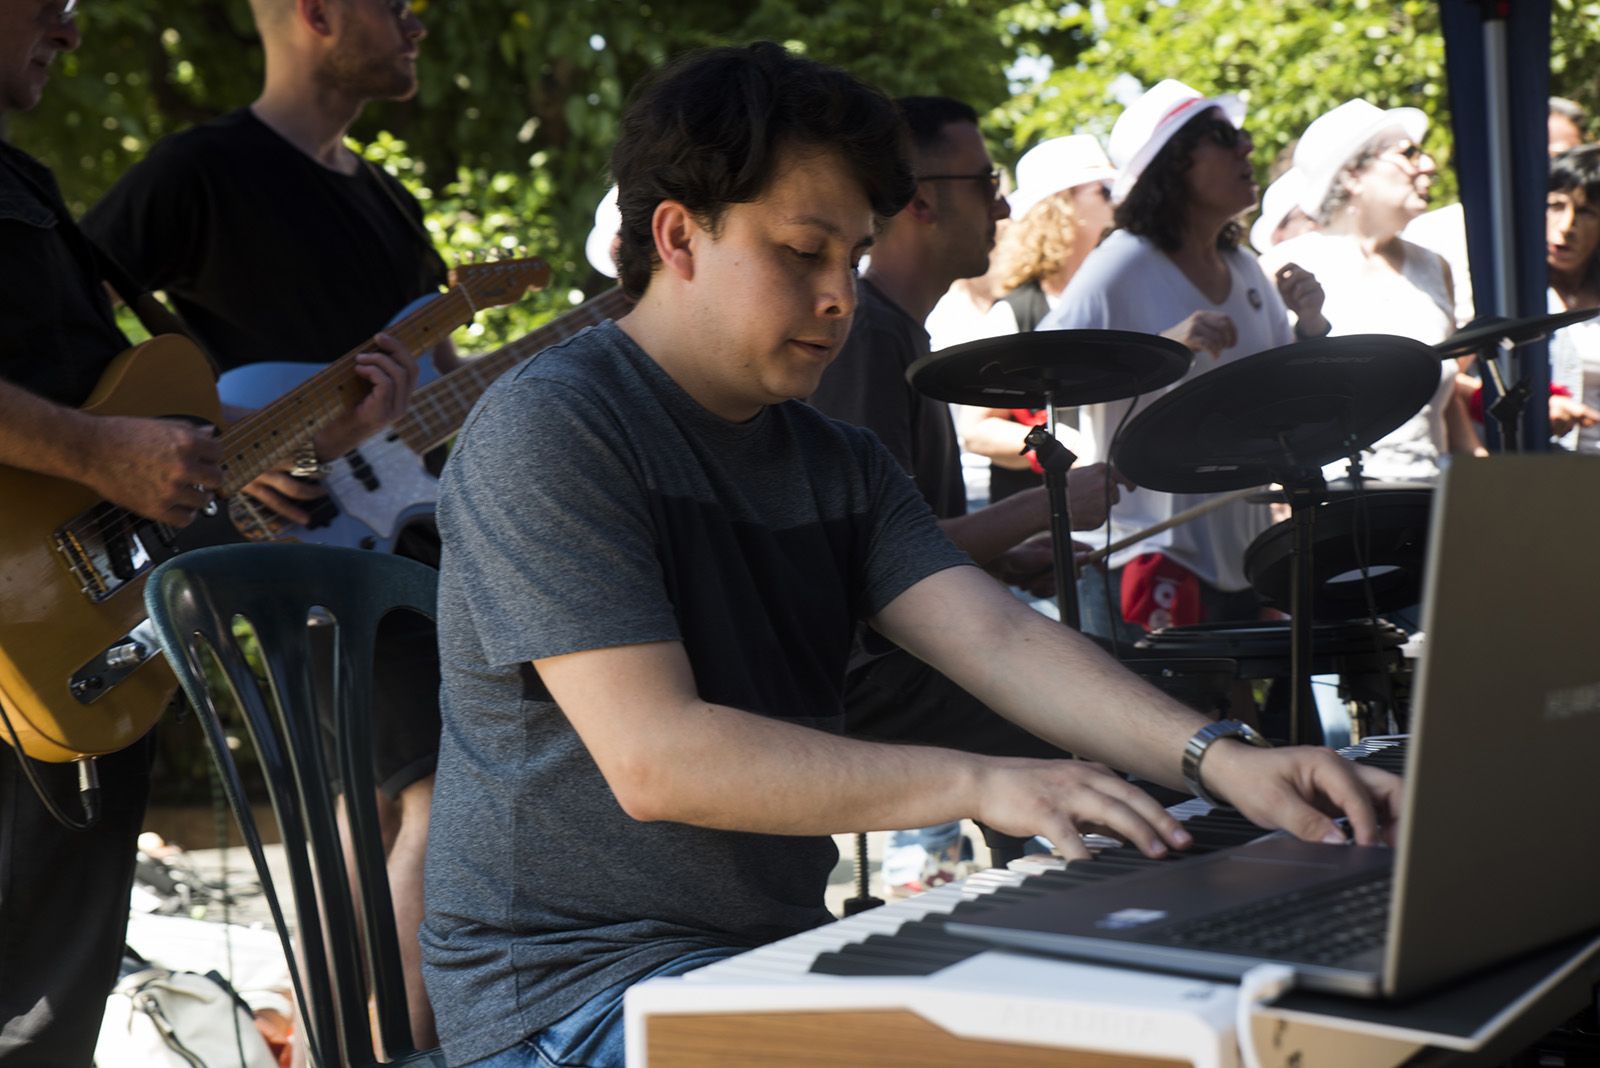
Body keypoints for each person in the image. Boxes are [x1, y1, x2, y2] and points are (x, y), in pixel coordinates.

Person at [421, 43, 1400, 1068]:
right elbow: (657, 760)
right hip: (567, 997)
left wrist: (1225, 761)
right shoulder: (553, 427)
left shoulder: (834, 460)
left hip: (761, 958)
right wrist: (981, 784)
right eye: (802, 252)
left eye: (850, 258)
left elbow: (998, 642)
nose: (839, 296)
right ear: (677, 237)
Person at [0, 2, 414, 1063]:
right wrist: (96, 454)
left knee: (51, 1005)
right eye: (52, 1)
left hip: (78, 650)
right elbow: (102, 441)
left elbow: (126, 401)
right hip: (23, 648)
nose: (71, 31)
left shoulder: (23, 182)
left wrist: (309, 432)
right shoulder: (198, 170)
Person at [807, 98, 1125, 891]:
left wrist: (1009, 560)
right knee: (1093, 731)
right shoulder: (868, 339)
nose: (1005, 208)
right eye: (987, 184)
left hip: (909, 651)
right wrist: (1049, 500)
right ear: (921, 200)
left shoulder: (896, 332)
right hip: (867, 672)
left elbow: (906, 540)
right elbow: (867, 557)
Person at [1039, 78, 1328, 640]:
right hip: (1147, 558)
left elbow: (1283, 394)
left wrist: (1311, 325)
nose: (1247, 146)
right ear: (1172, 165)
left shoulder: (1245, 268)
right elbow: (1047, 376)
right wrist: (1164, 347)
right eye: (1224, 137)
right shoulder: (1120, 264)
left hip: (1245, 557)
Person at [1260, 99, 1482, 483]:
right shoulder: (1283, 268)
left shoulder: (1434, 268)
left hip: (1428, 494)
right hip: (1332, 501)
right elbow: (1264, 405)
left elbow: (1443, 404)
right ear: (1352, 175)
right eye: (1408, 154)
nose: (1428, 165)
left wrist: (1481, 468)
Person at [955, 134, 1117, 503]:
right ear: (1062, 205)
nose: (1117, 199)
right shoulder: (1015, 311)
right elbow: (976, 430)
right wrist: (1052, 443)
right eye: (1103, 190)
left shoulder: (1115, 294)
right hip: (1043, 523)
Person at [1545, 144, 1600, 449]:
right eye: (1556, 205)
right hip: (1535, 469)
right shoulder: (1506, 291)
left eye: (1585, 212)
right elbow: (1453, 380)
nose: (1567, 227)